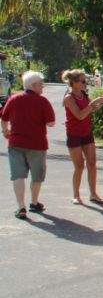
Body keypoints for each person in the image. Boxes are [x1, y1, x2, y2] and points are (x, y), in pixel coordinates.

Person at [1, 71, 56, 220]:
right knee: (37, 175)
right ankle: (34, 202)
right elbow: (51, 123)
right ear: (34, 85)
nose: (43, 87)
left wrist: (5, 131)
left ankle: (21, 207)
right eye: (41, 84)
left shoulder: (14, 99)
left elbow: (4, 118)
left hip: (16, 143)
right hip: (37, 144)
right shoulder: (42, 101)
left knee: (18, 175)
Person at [61, 69, 103, 204]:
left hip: (87, 132)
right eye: (83, 81)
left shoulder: (83, 95)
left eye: (85, 80)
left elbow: (89, 110)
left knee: (92, 163)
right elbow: (80, 115)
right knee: (79, 166)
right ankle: (76, 195)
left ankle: (93, 194)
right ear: (74, 83)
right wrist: (93, 103)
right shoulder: (69, 98)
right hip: (74, 135)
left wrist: (98, 104)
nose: (85, 83)